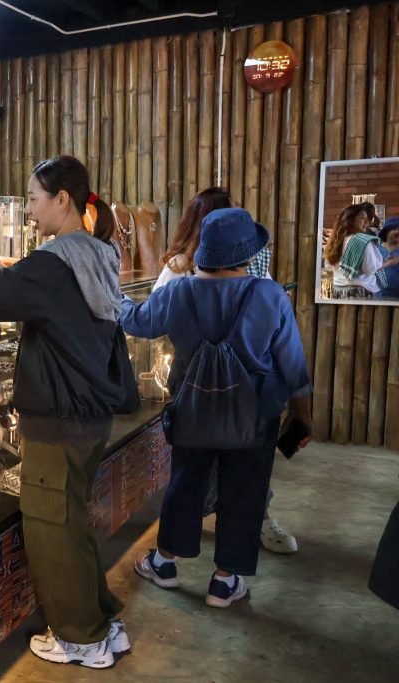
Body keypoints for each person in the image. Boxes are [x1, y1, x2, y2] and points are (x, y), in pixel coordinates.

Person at [0, 156, 132, 669]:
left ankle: (81, 639)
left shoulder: (56, 262)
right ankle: (101, 623)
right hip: (88, 415)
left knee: (52, 528)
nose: (30, 210)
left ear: (63, 199)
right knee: (71, 521)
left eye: (34, 198)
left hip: (60, 418)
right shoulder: (96, 252)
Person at [121, 208, 312, 609]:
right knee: (246, 491)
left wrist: (111, 295)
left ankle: (164, 564)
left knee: (185, 483)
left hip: (193, 412)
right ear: (246, 254)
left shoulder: (178, 291)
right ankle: (225, 582)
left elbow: (137, 322)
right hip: (254, 416)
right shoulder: (270, 295)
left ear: (204, 251)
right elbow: (292, 363)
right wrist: (302, 413)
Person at [155, 187, 296, 554]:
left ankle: (169, 557)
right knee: (240, 478)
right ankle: (228, 568)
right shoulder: (259, 280)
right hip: (244, 394)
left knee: (192, 475)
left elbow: (147, 317)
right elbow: (287, 351)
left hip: (198, 391)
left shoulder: (181, 273)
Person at [324, 204, 399, 299]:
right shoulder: (364, 241)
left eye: (366, 218)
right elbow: (370, 269)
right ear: (350, 220)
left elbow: (328, 266)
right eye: (362, 218)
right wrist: (390, 262)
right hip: (360, 292)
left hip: (339, 290)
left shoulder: (336, 241)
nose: (367, 221)